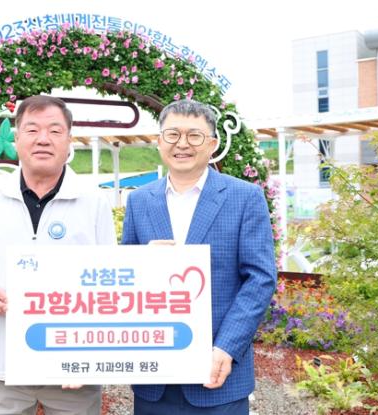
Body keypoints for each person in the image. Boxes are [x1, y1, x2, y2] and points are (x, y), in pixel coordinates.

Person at [0, 95, 116, 414]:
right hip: (3, 364)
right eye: (32, 129)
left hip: (72, 368)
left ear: (69, 140)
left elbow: (109, 278)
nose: (43, 139)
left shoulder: (94, 200)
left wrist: (92, 356)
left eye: (55, 130)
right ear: (16, 139)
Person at [122, 99, 277, 414]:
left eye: (194, 135)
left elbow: (260, 279)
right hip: (154, 381)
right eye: (172, 134)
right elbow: (123, 276)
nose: (182, 144)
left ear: (213, 145)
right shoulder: (139, 201)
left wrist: (227, 347)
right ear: (159, 141)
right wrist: (141, 262)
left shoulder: (245, 197)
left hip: (218, 375)